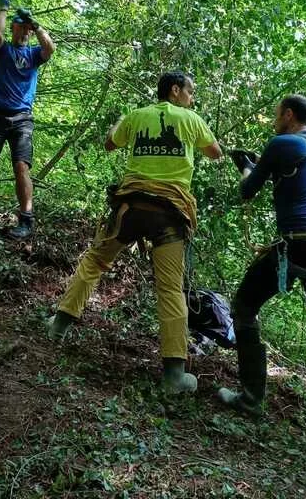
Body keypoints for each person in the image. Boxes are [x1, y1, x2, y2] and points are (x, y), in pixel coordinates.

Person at [47, 71, 223, 393]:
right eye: (190, 91)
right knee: (170, 288)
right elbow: (215, 152)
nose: (192, 97)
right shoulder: (192, 120)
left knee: (95, 262)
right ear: (175, 90)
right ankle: (174, 375)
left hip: (130, 208)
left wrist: (119, 124)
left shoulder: (136, 116)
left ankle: (58, 326)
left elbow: (110, 143)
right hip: (170, 213)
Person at [218, 94, 306, 459]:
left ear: (289, 115)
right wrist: (261, 165)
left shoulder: (282, 143)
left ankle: (251, 398)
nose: (274, 121)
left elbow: (247, 190)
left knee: (244, 306)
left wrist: (246, 166)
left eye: (277, 115)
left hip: (296, 244)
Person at [0, 0, 54, 240]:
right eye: (21, 27)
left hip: (22, 119)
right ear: (13, 28)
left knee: (21, 167)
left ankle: (26, 220)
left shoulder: (34, 55)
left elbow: (50, 48)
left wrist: (35, 24)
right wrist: (3, 9)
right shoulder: (3, 50)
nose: (25, 32)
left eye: (27, 29)